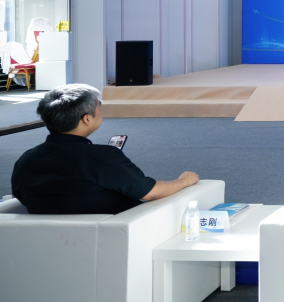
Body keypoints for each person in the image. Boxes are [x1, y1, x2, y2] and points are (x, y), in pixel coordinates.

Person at [11, 84, 200, 215]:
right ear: (87, 119)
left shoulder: (26, 159)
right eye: (99, 108)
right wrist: (184, 180)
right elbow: (151, 192)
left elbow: (22, 197)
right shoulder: (102, 157)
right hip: (122, 230)